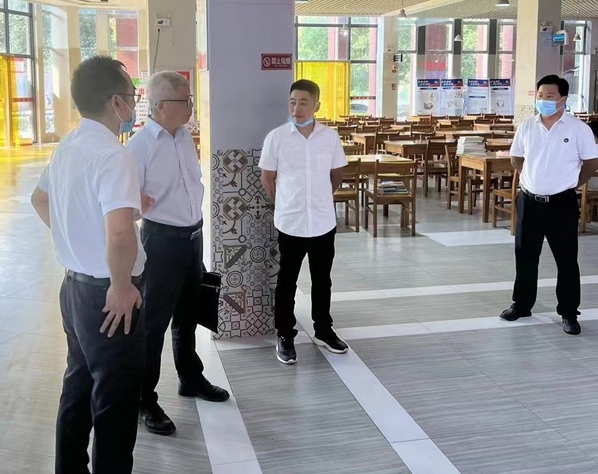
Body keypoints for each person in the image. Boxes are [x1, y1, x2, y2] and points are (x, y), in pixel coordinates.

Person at [30, 56, 146, 473]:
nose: (134, 104)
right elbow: (120, 236)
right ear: (116, 102)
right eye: (132, 95)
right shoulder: (112, 155)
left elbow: (40, 199)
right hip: (107, 296)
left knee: (78, 385)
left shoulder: (69, 145)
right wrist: (121, 285)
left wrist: (75, 236)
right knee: (115, 401)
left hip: (75, 290)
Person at [126, 71, 229, 437]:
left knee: (188, 315)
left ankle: (191, 378)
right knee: (152, 326)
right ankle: (144, 400)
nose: (191, 107)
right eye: (186, 101)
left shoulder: (184, 137)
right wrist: (136, 205)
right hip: (161, 242)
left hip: (192, 237)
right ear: (162, 106)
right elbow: (125, 205)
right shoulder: (138, 148)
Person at [499, 74, 598, 335]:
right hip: (529, 201)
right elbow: (516, 158)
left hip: (561, 203)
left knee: (566, 260)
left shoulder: (578, 129)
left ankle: (569, 312)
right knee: (525, 255)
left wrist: (572, 184)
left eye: (549, 96)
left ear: (563, 99)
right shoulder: (527, 126)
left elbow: (591, 163)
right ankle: (522, 304)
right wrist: (531, 180)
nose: (543, 100)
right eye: (540, 96)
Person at [259, 79, 349, 365]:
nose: (296, 109)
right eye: (292, 103)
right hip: (291, 222)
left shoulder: (330, 137)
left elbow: (336, 175)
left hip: (323, 221)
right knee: (287, 281)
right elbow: (267, 178)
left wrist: (320, 198)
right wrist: (284, 202)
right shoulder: (276, 137)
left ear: (316, 106)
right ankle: (285, 335)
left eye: (303, 103)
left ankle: (323, 330)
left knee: (322, 280)